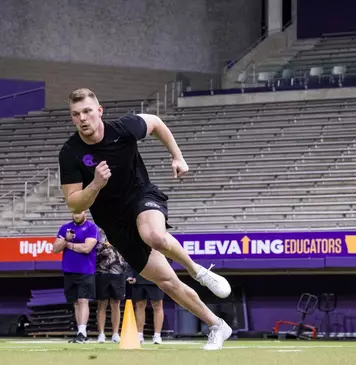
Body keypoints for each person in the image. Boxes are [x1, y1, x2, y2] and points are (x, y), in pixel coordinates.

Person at [58, 88, 233, 350]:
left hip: (141, 196)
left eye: (87, 111)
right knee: (167, 282)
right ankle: (218, 326)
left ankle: (198, 271)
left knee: (154, 235)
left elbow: (157, 123)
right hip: (114, 223)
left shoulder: (124, 128)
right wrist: (95, 184)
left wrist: (177, 156)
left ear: (99, 111)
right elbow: (74, 201)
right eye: (76, 114)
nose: (82, 118)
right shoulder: (70, 152)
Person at [52, 211, 99, 343]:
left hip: (85, 270)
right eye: (74, 213)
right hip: (69, 269)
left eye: (79, 213)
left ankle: (82, 331)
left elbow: (86, 248)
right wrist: (66, 239)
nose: (76, 216)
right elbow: (55, 248)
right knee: (76, 303)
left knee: (83, 300)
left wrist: (67, 244)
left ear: (84, 213)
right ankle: (80, 330)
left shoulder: (91, 228)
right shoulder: (64, 228)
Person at [94, 228, 127, 343]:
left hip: (118, 272)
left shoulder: (122, 231)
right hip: (102, 272)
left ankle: (115, 333)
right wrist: (102, 250)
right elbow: (93, 250)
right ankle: (101, 333)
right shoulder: (97, 232)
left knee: (116, 303)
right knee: (101, 303)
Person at [126, 262, 164, 344]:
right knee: (139, 305)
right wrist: (130, 275)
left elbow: (167, 260)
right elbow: (131, 259)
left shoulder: (158, 249)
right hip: (138, 278)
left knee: (157, 306)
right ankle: (139, 335)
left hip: (155, 278)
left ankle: (157, 335)